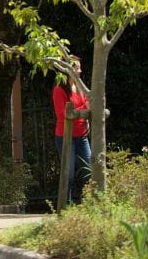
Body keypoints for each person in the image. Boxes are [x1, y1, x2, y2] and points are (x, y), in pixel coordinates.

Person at [52, 56, 91, 204]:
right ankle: (65, 206)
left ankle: (90, 203)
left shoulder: (80, 87)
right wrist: (83, 111)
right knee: (68, 175)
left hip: (82, 136)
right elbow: (63, 115)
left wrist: (84, 112)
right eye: (76, 68)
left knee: (90, 170)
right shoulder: (58, 89)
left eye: (80, 67)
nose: (80, 71)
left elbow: (89, 105)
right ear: (67, 70)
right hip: (65, 137)